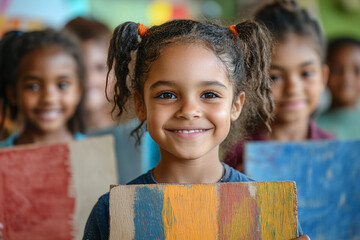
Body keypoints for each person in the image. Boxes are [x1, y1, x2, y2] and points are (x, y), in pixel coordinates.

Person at [82, 19, 309, 239]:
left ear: (235, 105)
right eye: (167, 95)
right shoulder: (109, 212)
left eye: (209, 95)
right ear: (141, 105)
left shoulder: (269, 211)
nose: (189, 110)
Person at [224, 0, 335, 173]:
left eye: (306, 73)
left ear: (323, 77)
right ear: (254, 81)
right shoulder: (239, 153)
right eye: (275, 77)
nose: (293, 88)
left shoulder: (334, 150)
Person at [0, 29, 85, 148]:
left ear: (78, 91)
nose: (49, 98)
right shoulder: (3, 157)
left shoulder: (96, 154)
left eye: (62, 85)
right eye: (33, 86)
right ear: (13, 94)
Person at [64, 17, 127, 132]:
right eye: (80, 69)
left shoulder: (128, 132)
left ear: (117, 74)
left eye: (100, 68)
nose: (89, 79)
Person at [315, 37, 360, 139]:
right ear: (324, 74)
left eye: (357, 71)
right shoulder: (313, 127)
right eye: (336, 70)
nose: (347, 78)